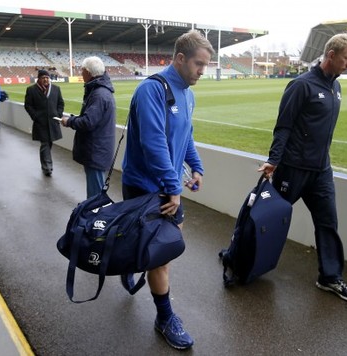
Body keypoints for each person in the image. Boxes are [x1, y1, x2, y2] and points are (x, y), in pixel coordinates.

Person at [121, 29, 214, 350]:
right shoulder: (151, 90)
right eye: (198, 64)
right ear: (179, 59)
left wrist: (196, 166)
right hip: (146, 188)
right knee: (160, 257)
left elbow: (185, 135)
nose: (203, 71)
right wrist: (173, 187)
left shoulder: (188, 94)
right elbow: (153, 143)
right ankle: (164, 318)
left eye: (206, 65)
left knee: (164, 250)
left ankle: (133, 260)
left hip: (169, 187)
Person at [258, 33, 347, 303]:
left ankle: (329, 277)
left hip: (321, 171)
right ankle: (239, 258)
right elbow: (284, 126)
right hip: (293, 169)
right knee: (268, 219)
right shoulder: (301, 86)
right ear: (331, 55)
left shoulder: (336, 88)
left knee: (328, 223)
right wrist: (274, 160)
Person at [61, 56, 115, 198]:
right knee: (95, 191)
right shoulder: (100, 91)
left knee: (95, 196)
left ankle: (94, 217)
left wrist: (70, 121)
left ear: (89, 72)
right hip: (97, 149)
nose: (80, 73)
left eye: (82, 70)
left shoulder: (99, 94)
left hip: (96, 151)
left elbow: (88, 122)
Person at [24, 69, 64, 177]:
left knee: (48, 143)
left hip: (53, 122)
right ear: (39, 79)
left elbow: (60, 103)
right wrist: (35, 116)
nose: (46, 79)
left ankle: (44, 164)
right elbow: (28, 105)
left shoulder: (56, 89)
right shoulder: (31, 90)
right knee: (45, 143)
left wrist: (58, 114)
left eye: (47, 77)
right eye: (43, 78)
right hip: (40, 123)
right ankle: (47, 167)